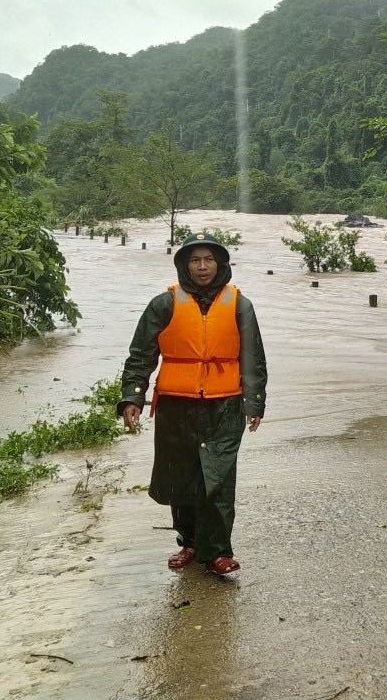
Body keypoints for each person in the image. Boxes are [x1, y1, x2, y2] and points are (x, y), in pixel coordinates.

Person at [118, 232, 268, 575]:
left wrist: (254, 401)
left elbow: (253, 358)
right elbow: (141, 355)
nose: (202, 267)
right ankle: (189, 542)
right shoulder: (163, 304)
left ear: (221, 264)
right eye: (195, 260)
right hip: (176, 404)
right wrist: (133, 397)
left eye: (209, 260)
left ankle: (218, 553)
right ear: (184, 265)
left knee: (218, 477)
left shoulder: (240, 305)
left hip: (224, 404)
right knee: (182, 477)